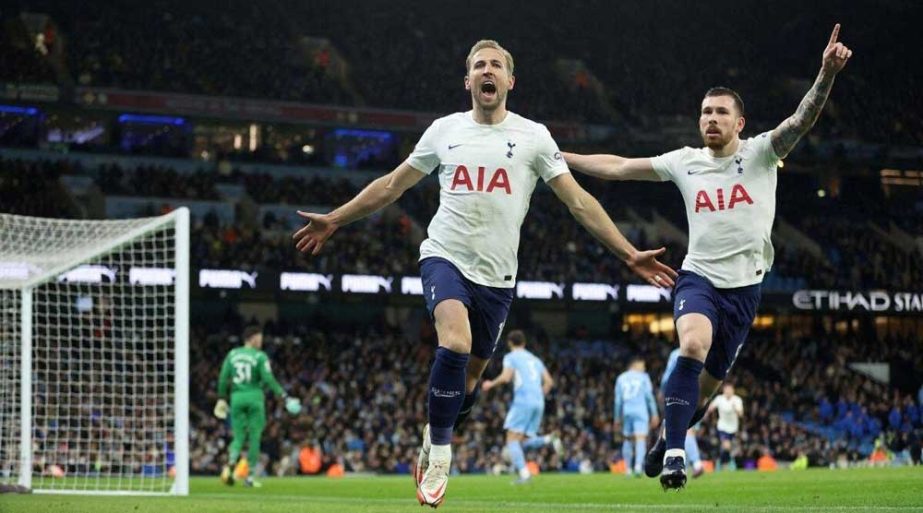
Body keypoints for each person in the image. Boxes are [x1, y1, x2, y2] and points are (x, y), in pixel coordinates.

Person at [292, 39, 676, 507]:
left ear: (510, 81)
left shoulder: (534, 137)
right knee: (454, 342)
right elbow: (393, 185)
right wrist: (335, 218)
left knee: (470, 382)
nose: (487, 71)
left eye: (496, 65)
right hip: (444, 256)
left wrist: (627, 252)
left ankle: (439, 431)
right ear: (468, 80)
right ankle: (438, 454)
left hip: (498, 277)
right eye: (479, 65)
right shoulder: (444, 131)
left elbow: (578, 201)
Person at [563, 24, 852, 489]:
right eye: (705, 112)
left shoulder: (762, 153)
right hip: (697, 278)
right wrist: (561, 157)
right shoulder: (684, 160)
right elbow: (618, 167)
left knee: (704, 391)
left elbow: (801, 121)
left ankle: (666, 438)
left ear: (740, 122)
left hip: (745, 290)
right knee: (692, 346)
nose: (710, 119)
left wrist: (825, 75)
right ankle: (676, 455)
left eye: (720, 112)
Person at [214, 325, 301, 487]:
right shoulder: (259, 356)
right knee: (254, 437)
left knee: (238, 436)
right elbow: (268, 379)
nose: (261, 341)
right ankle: (250, 477)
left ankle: (231, 463)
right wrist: (284, 396)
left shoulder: (232, 354)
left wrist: (221, 398)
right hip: (254, 397)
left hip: (236, 398)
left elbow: (223, 377)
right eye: (260, 338)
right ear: (252, 338)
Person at [481, 330, 562, 484]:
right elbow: (549, 382)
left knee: (511, 438)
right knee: (522, 441)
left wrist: (490, 384)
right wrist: (538, 396)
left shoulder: (511, 357)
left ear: (510, 343)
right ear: (524, 343)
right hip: (538, 401)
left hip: (523, 400)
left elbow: (505, 378)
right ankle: (548, 439)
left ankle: (524, 475)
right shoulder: (535, 359)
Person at [661, 347, 704, 478]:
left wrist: (664, 392)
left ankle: (696, 464)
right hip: (700, 392)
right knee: (689, 430)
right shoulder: (704, 349)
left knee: (685, 430)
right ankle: (692, 463)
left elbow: (667, 377)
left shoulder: (676, 353)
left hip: (681, 392)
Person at [613, 357, 658, 477]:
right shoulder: (643, 377)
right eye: (642, 366)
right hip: (640, 411)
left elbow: (618, 401)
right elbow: (649, 397)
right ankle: (638, 466)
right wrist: (654, 413)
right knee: (640, 439)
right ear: (635, 365)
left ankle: (627, 469)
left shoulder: (621, 378)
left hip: (626, 411)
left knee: (627, 439)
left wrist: (617, 417)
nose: (644, 369)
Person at [705, 383, 744, 470]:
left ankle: (723, 461)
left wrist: (736, 409)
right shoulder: (719, 399)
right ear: (724, 390)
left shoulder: (737, 400)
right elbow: (711, 407)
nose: (728, 391)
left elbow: (741, 414)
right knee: (727, 446)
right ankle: (724, 463)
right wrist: (706, 413)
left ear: (733, 391)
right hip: (722, 427)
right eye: (727, 390)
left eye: (730, 390)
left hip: (733, 428)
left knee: (731, 449)